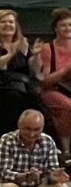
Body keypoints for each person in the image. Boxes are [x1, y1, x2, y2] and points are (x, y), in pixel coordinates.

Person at [33, 8, 71, 158]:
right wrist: (65, 70)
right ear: (55, 28)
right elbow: (44, 81)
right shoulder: (48, 49)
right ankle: (66, 150)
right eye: (63, 25)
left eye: (70, 25)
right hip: (53, 89)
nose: (68, 28)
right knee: (68, 106)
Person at [0, 8, 44, 140]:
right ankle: (8, 138)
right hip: (4, 85)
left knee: (34, 98)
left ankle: (33, 137)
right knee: (14, 97)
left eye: (11, 22)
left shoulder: (23, 44)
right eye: (3, 22)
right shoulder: (16, 46)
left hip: (22, 85)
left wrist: (36, 55)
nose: (8, 25)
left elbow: (35, 70)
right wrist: (12, 52)